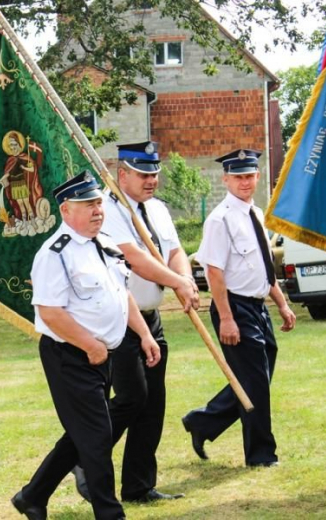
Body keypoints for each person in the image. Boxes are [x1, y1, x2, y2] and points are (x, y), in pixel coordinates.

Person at [11, 172, 161, 520]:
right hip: (70, 356)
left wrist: (144, 334)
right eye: (87, 204)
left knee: (85, 433)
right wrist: (90, 345)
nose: (97, 210)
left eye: (98, 203)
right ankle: (110, 514)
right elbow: (48, 311)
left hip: (100, 355)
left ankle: (32, 496)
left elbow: (120, 295)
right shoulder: (55, 254)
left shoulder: (105, 244)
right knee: (96, 438)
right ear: (66, 210)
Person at [71, 142, 199, 503]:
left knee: (152, 403)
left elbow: (174, 251)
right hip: (119, 320)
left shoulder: (157, 210)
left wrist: (184, 279)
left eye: (155, 173)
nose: (152, 180)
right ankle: (81, 455)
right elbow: (135, 258)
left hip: (151, 316)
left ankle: (139, 486)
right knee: (131, 397)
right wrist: (176, 282)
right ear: (121, 174)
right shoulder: (109, 211)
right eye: (144, 174)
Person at [182, 149, 296, 467]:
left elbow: (263, 266)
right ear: (226, 179)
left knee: (257, 376)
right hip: (234, 307)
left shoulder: (256, 214)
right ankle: (261, 455)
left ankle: (203, 422)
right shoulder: (220, 219)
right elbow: (214, 271)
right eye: (239, 176)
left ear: (257, 177)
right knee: (255, 381)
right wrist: (227, 318)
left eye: (250, 176)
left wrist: (282, 305)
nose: (245, 182)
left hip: (258, 307)